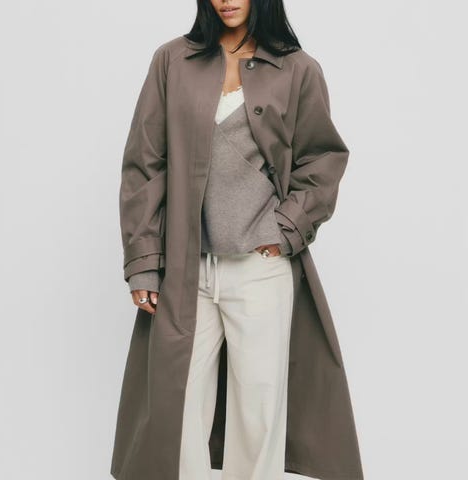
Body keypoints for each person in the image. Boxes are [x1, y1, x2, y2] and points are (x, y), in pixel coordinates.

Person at [111, 1, 364, 480]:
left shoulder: (298, 68)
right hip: (186, 268)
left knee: (258, 413)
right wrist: (143, 259)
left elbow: (323, 159)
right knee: (178, 409)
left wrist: (286, 228)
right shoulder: (172, 60)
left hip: (260, 268)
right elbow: (144, 164)